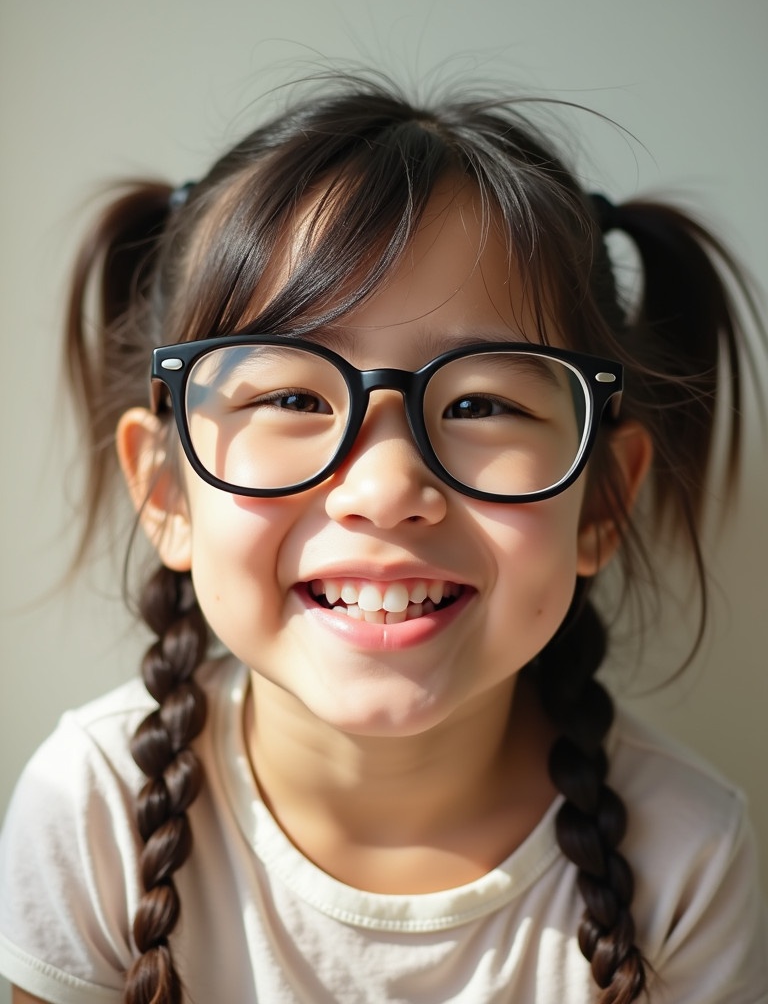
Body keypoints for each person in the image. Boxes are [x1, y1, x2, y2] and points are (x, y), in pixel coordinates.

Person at [0, 73, 766, 1004]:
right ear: (164, 488)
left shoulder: (688, 856)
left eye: (484, 402)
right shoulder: (88, 811)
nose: (388, 488)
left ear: (603, 501)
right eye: (289, 397)